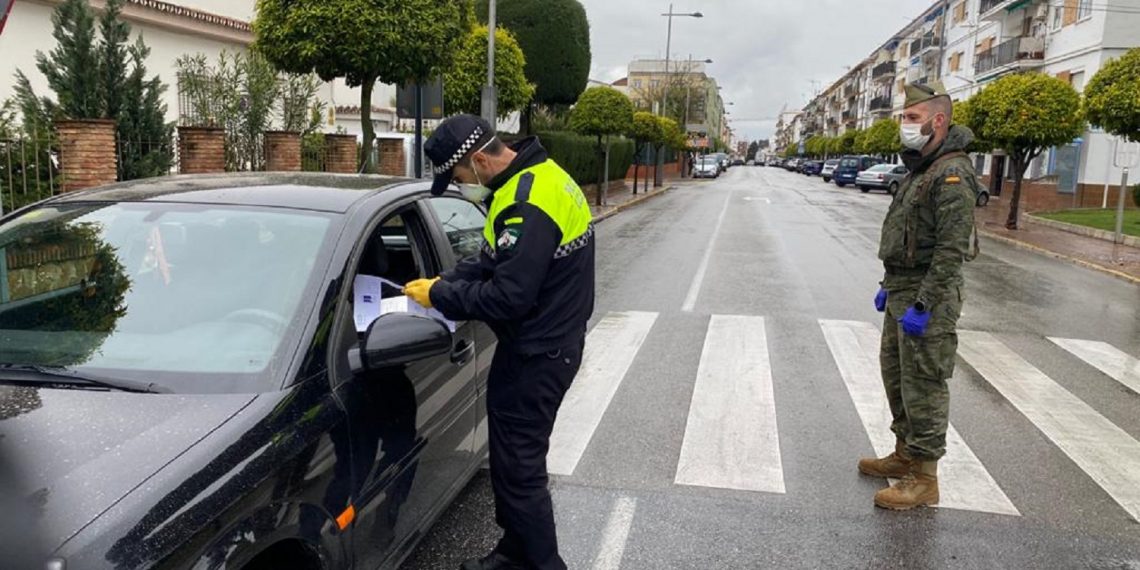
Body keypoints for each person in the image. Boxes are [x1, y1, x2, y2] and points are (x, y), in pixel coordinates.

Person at [404, 115, 595, 570]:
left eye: (460, 178)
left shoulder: (524, 203)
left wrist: (441, 296)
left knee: (520, 471)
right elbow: (492, 260)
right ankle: (514, 552)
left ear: (478, 160)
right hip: (540, 345)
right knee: (511, 464)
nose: (463, 186)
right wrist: (446, 279)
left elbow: (509, 295)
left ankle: (545, 564)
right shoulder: (537, 178)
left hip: (539, 354)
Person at [860, 82, 980, 510]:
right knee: (897, 376)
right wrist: (887, 286)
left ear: (938, 120)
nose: (905, 126)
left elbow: (950, 250)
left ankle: (925, 478)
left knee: (924, 383)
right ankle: (905, 452)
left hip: (928, 296)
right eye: (904, 118)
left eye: (912, 118)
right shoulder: (921, 168)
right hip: (901, 289)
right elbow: (908, 235)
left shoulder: (952, 172)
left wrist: (924, 304)